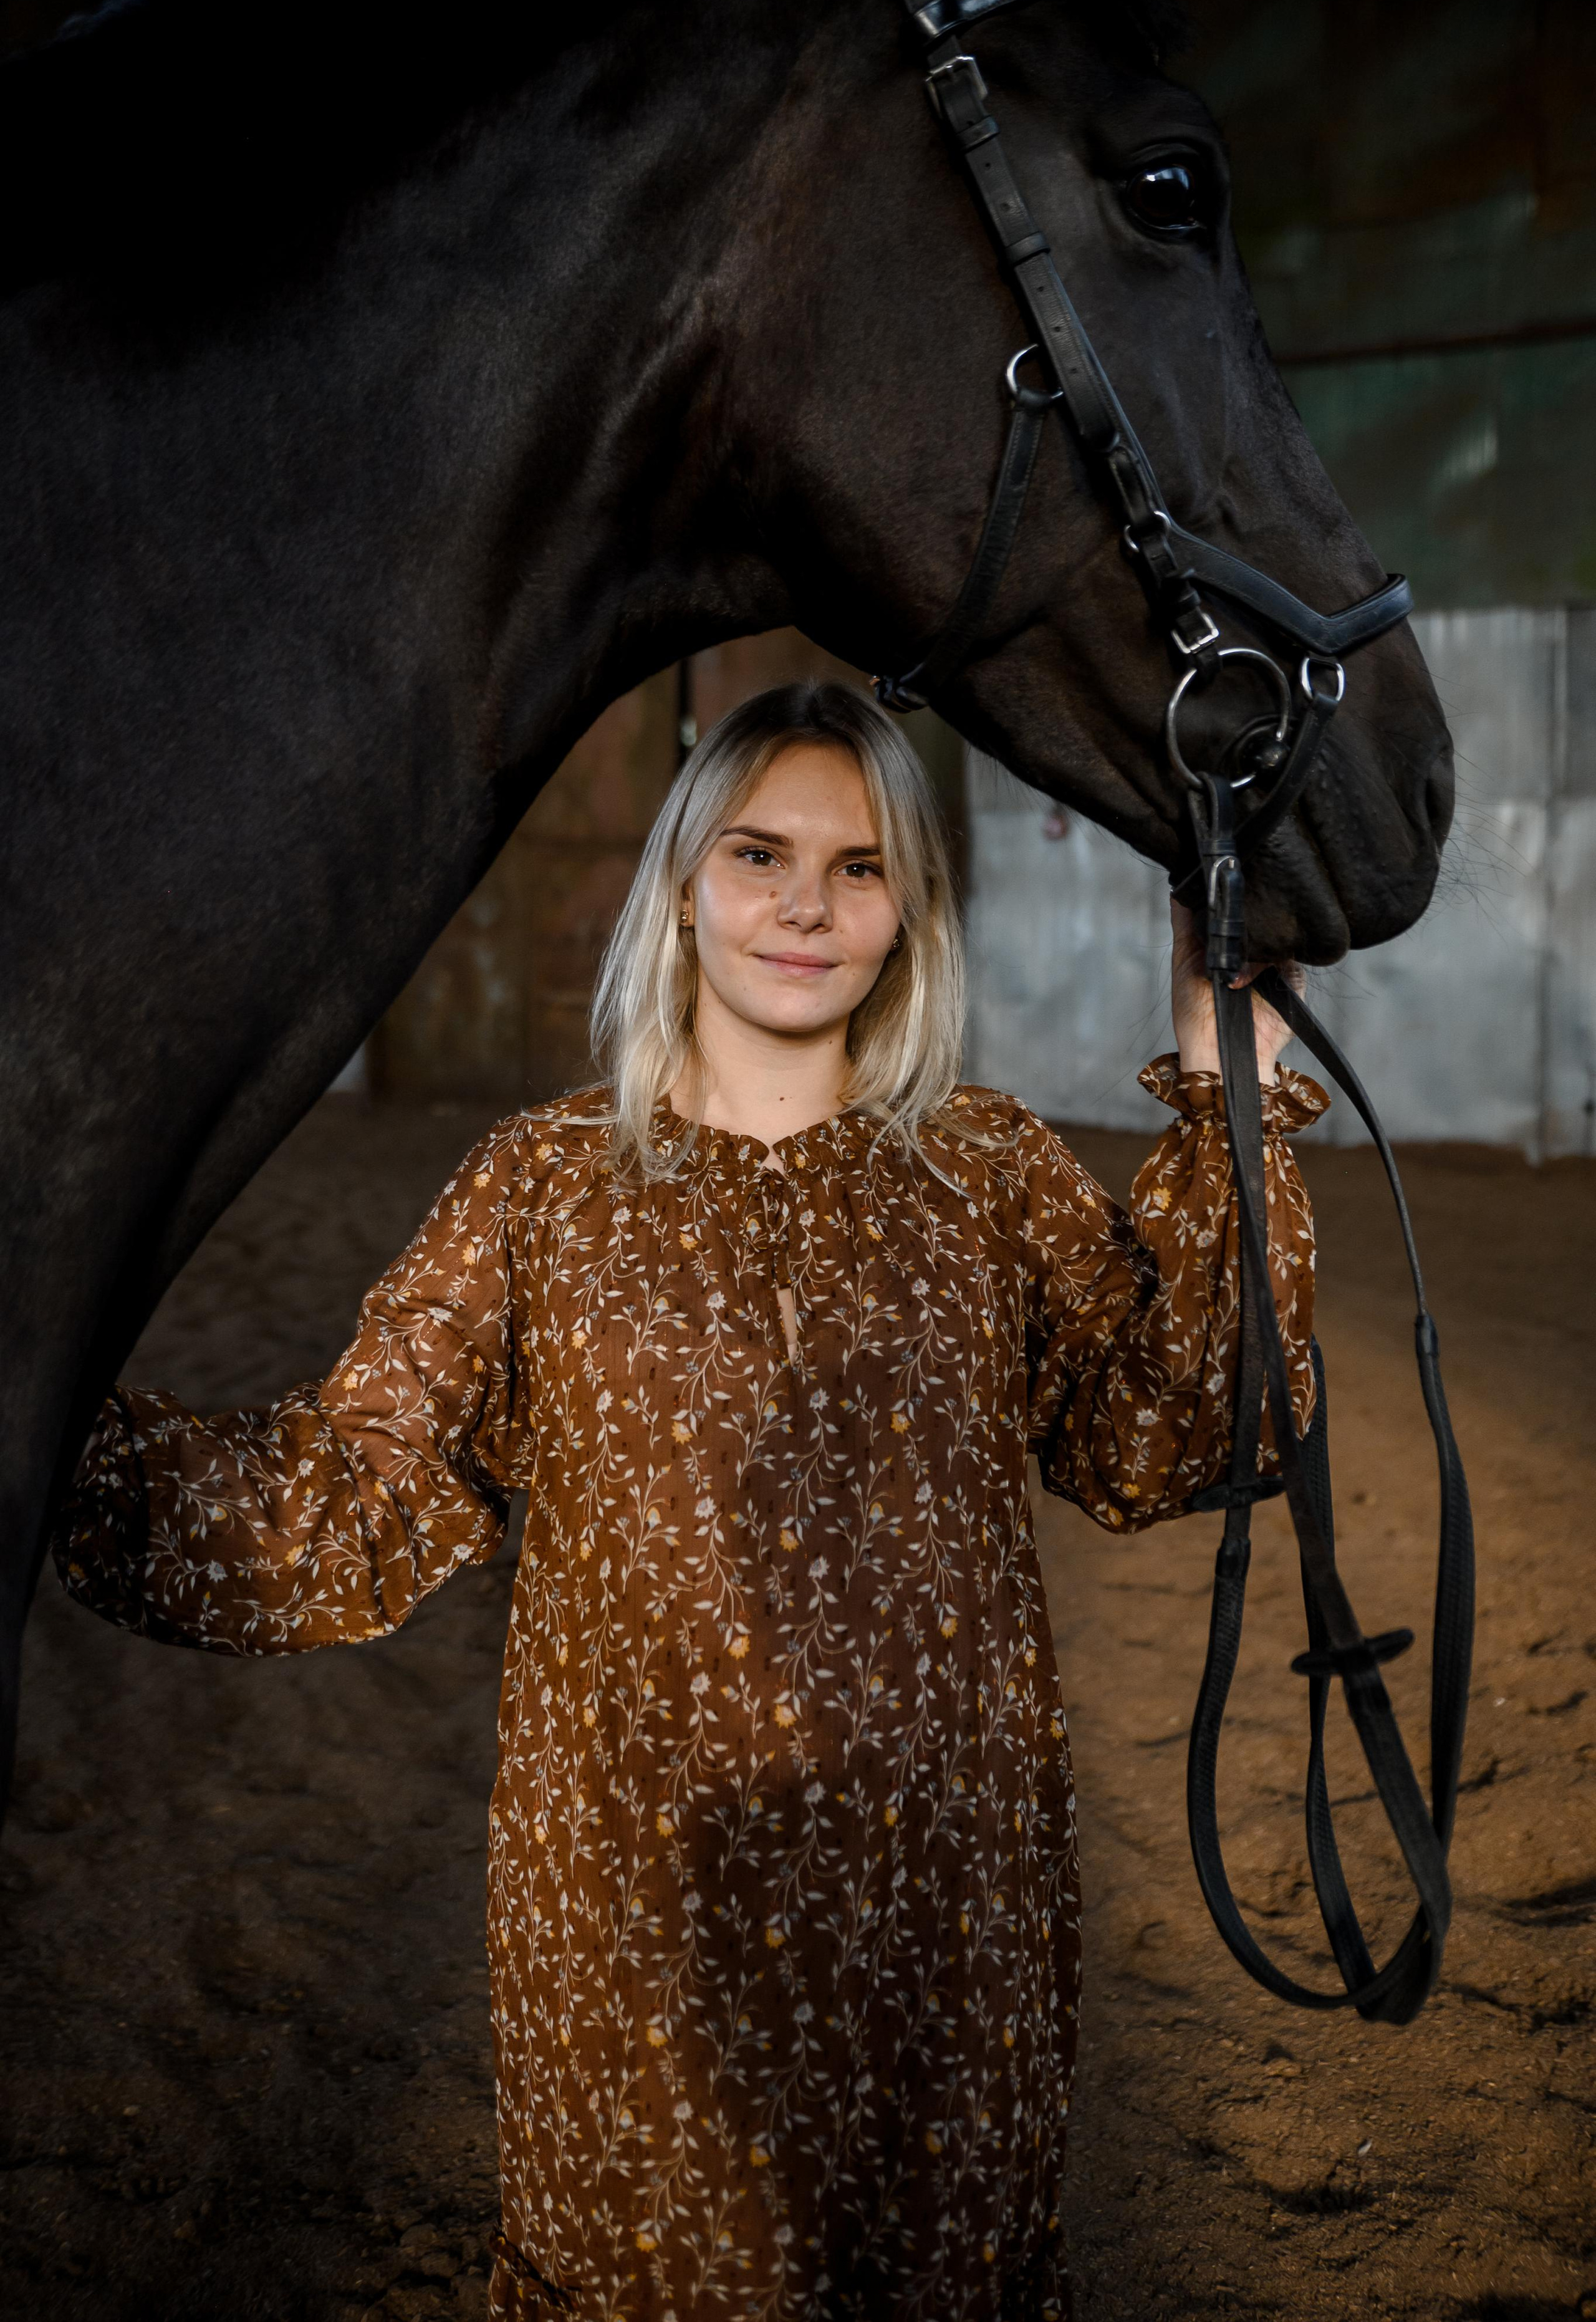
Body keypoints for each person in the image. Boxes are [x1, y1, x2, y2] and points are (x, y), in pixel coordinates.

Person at [58, 681, 1324, 2322]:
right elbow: (342, 1508)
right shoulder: (538, 1185)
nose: (807, 901)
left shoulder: (992, 1170)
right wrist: (62, 1453)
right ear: (679, 882)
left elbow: (1177, 1429)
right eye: (760, 850)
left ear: (909, 913)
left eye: (860, 865)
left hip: (949, 1931)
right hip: (642, 1945)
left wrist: (1239, 1080)